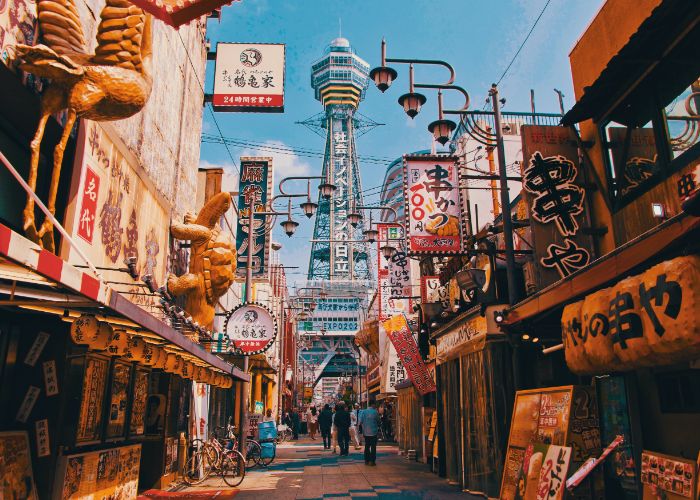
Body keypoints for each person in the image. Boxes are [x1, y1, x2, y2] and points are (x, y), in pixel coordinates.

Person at [358, 400, 381, 466]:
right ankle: (372, 461)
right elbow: (378, 421)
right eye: (375, 405)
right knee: (373, 447)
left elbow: (360, 421)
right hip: (373, 432)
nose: (376, 406)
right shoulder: (375, 412)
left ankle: (366, 460)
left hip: (366, 432)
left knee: (367, 446)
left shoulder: (363, 412)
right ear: (373, 405)